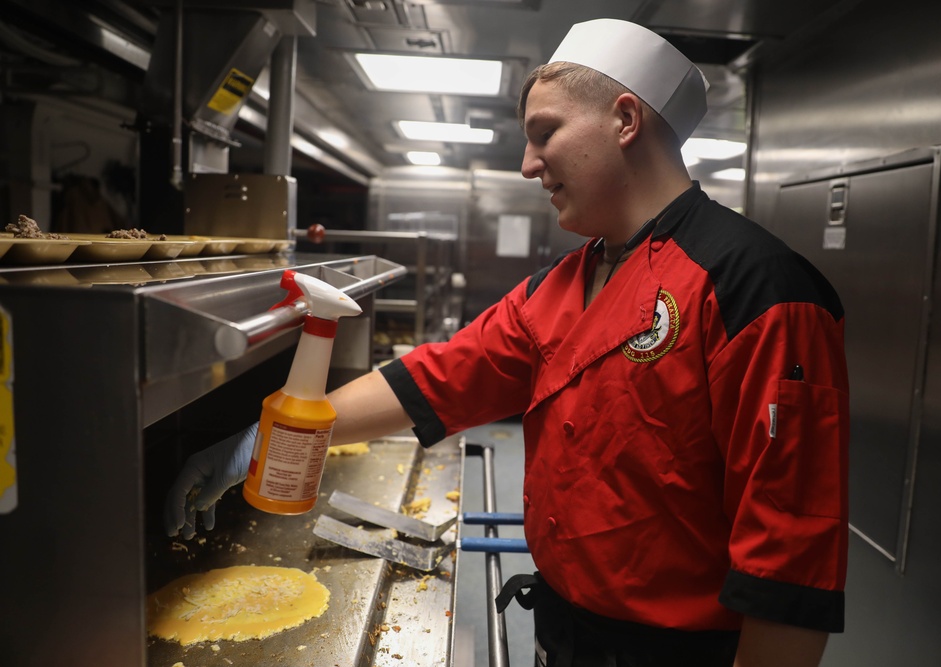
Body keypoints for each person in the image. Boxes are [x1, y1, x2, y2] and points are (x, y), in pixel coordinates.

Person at [164, 17, 849, 667]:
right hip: (564, 631)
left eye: (544, 133)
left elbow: (790, 560)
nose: (527, 164)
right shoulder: (562, 285)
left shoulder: (755, 286)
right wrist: (268, 437)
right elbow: (434, 379)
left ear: (625, 119)